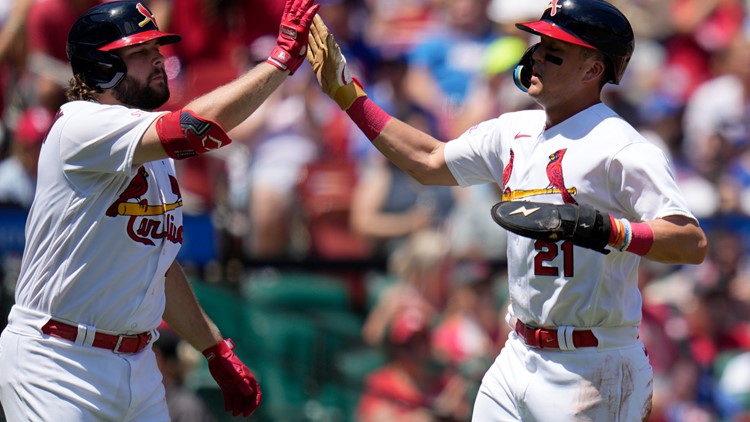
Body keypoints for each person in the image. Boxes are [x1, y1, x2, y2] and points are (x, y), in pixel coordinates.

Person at [306, 0, 708, 420]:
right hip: (516, 352)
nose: (536, 57)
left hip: (593, 364)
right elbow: (427, 161)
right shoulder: (514, 130)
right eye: (538, 44)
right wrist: (348, 94)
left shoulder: (621, 147)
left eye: (554, 53)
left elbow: (690, 242)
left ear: (593, 70)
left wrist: (605, 229)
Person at [0, 0, 319, 420]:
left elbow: (158, 267)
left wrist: (215, 347)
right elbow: (196, 127)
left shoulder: (152, 155)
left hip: (138, 366)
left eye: (157, 49)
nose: (158, 60)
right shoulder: (82, 127)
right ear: (100, 68)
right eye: (139, 53)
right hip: (57, 360)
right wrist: (278, 63)